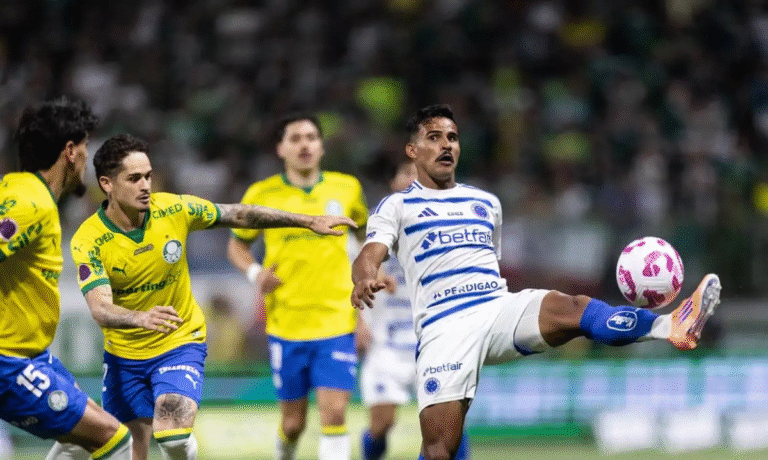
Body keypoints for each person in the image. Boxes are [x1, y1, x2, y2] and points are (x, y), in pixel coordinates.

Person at [351, 104, 722, 460]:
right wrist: (366, 276)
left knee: (573, 307)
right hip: (445, 328)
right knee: (439, 450)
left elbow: (485, 263)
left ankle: (670, 325)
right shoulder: (396, 207)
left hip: (495, 307)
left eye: (452, 137)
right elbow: (368, 254)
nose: (446, 145)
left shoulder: (485, 203)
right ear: (413, 150)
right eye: (434, 137)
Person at [70, 133, 357, 460]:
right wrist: (140, 317)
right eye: (134, 178)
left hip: (178, 342)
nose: (146, 185)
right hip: (124, 356)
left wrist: (308, 221)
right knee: (130, 451)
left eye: (148, 176)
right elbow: (100, 308)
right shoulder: (89, 240)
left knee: (172, 435)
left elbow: (239, 214)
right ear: (106, 184)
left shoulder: (173, 209)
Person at [227, 113, 369, 460]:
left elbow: (366, 235)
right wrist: (255, 274)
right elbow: (236, 245)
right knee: (293, 424)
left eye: (311, 137)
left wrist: (370, 271)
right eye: (295, 138)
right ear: (280, 148)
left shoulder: (347, 188)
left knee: (334, 413)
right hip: (286, 322)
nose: (304, 145)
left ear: (321, 146)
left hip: (336, 319)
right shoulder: (262, 194)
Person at [1, 97, 133, 460]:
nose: (88, 159)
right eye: (87, 147)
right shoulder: (31, 203)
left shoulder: (18, 189)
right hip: (8, 362)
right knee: (114, 439)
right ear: (70, 151)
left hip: (31, 357)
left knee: (81, 437)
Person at [357, 158, 470, 460]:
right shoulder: (371, 225)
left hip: (433, 342)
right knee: (381, 425)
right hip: (386, 342)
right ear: (393, 181)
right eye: (407, 173)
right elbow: (346, 271)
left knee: (449, 424)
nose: (413, 180)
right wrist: (357, 322)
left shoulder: (448, 227)